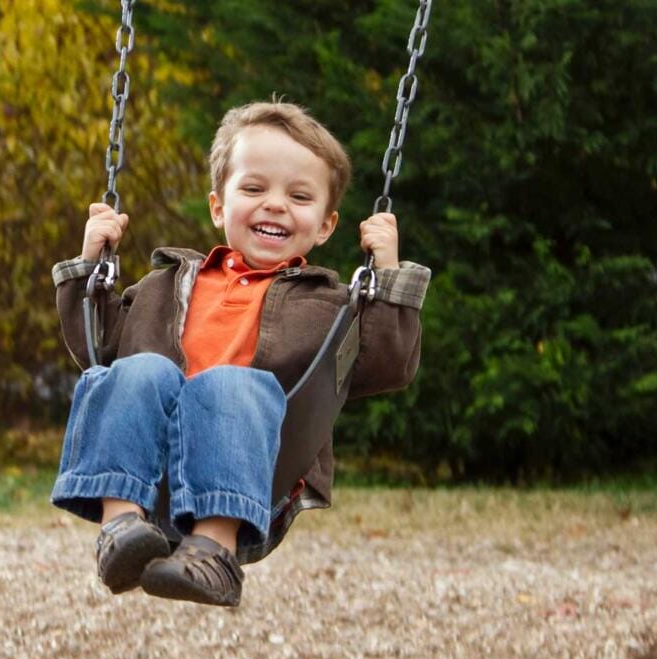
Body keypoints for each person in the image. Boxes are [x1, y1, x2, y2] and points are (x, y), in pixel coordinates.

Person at [50, 101, 430, 607]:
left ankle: (213, 552)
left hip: (254, 465)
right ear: (217, 206)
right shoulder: (163, 284)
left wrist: (385, 275)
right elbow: (97, 348)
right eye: (253, 189)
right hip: (154, 456)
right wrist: (89, 266)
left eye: (299, 195)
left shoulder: (329, 305)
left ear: (325, 225)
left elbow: (387, 362)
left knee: (229, 383)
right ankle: (121, 528)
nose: (275, 204)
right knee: (136, 371)